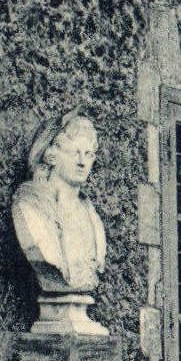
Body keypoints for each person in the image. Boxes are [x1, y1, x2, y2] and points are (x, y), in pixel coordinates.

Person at [12, 111, 107, 335]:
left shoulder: (91, 216)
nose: (83, 162)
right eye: (75, 153)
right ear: (52, 156)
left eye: (89, 154)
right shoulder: (29, 206)